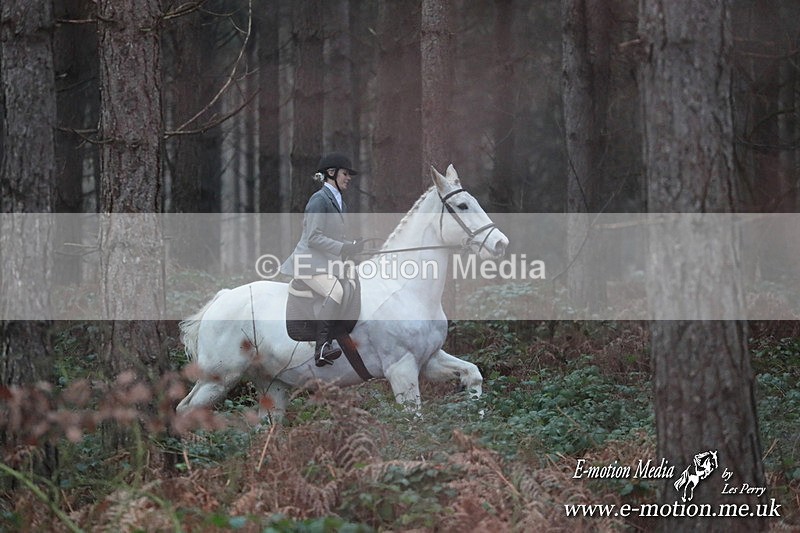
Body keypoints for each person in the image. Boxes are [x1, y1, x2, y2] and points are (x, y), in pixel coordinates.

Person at [280, 153, 365, 367]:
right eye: (345, 173)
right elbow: (314, 237)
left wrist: (352, 247)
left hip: (325, 263)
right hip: (308, 263)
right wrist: (343, 247)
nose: (348, 178)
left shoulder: (339, 202)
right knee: (334, 291)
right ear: (331, 173)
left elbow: (335, 237)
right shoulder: (319, 199)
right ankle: (321, 349)